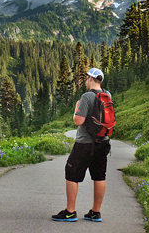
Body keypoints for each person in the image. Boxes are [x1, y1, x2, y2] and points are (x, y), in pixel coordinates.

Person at [52, 68, 111, 223]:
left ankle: (70, 212)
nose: (86, 81)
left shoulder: (86, 96)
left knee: (72, 173)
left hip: (85, 143)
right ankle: (95, 212)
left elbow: (78, 121)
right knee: (99, 175)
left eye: (86, 78)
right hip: (103, 141)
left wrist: (76, 109)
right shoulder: (107, 95)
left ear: (90, 79)